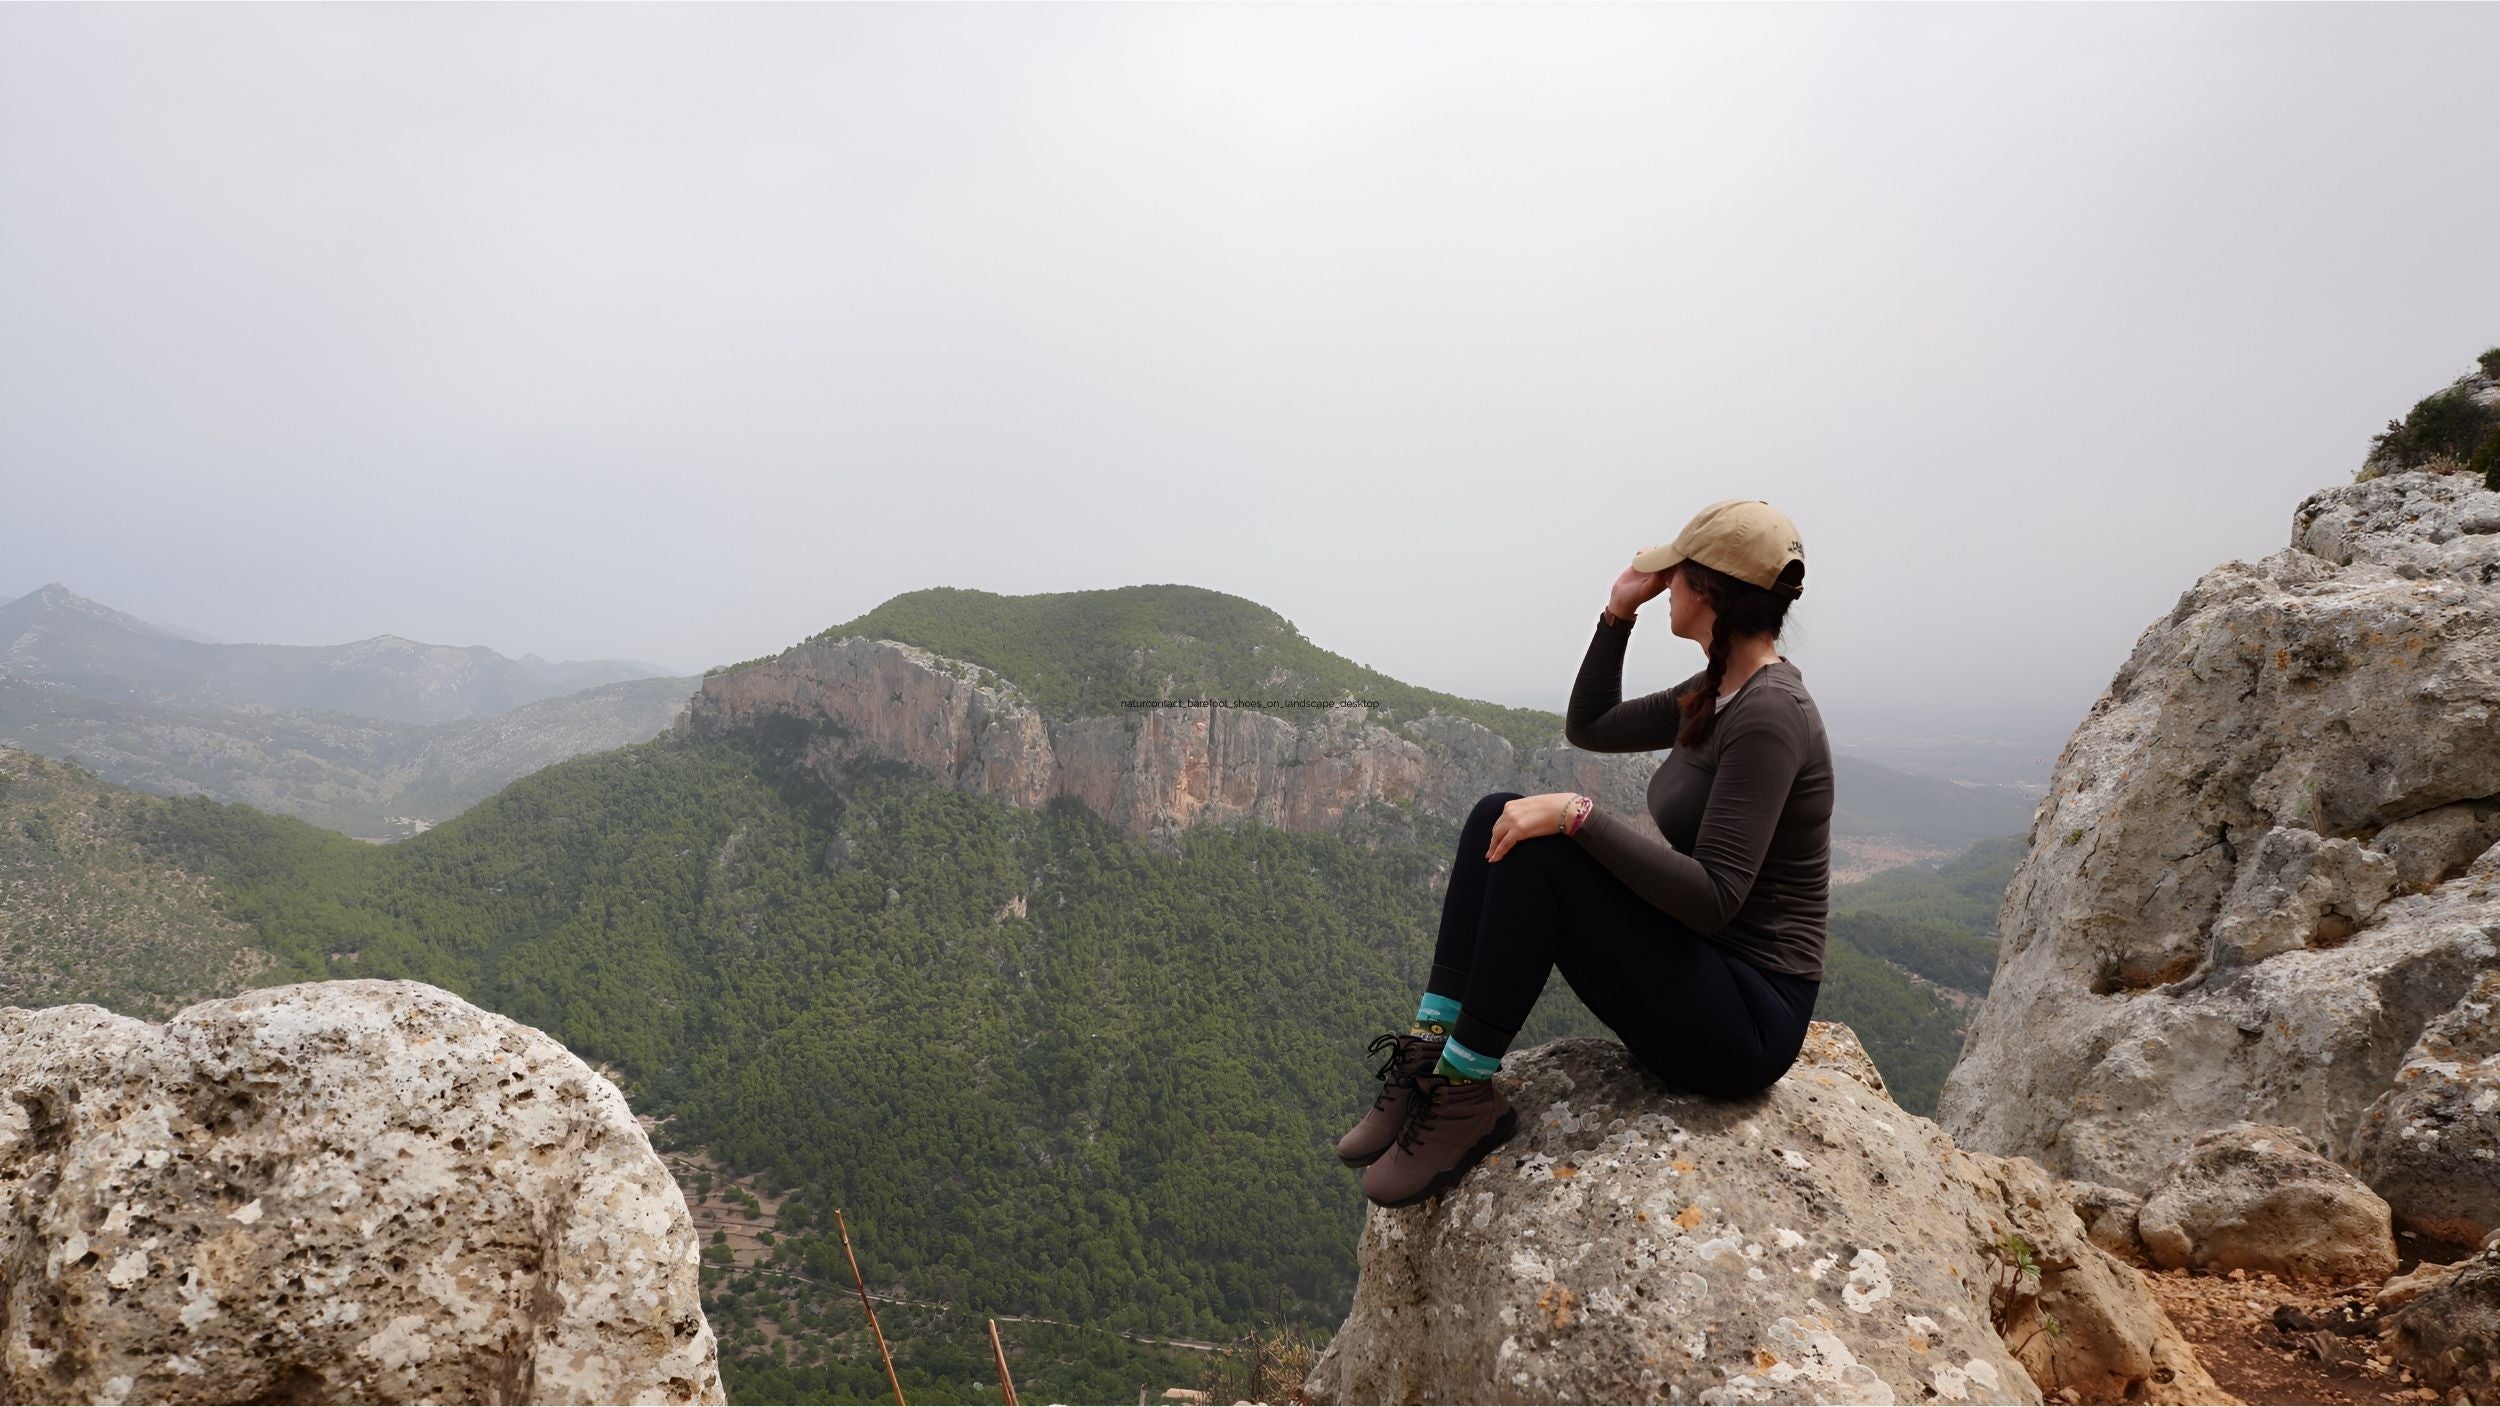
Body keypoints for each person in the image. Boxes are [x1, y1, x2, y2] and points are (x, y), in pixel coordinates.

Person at [1336, 499, 1833, 1209]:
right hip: (1705, 966)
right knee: (1495, 815)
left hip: (1746, 1020)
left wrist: (1577, 815)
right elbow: (1590, 726)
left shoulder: (1770, 713)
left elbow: (1716, 895)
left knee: (1544, 851)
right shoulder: (1718, 691)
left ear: (1708, 592)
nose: (1666, 586)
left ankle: (1465, 1094)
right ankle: (1430, 1055)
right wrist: (1617, 614)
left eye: (1676, 575)